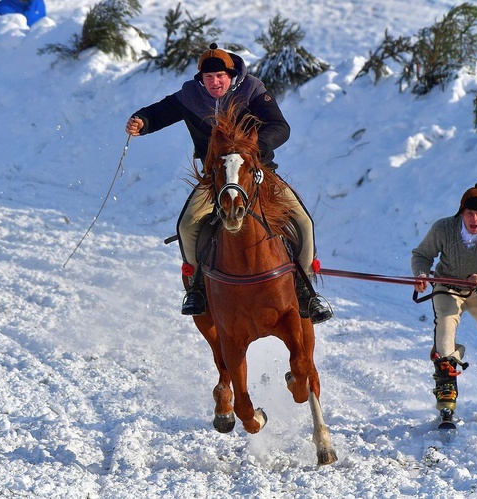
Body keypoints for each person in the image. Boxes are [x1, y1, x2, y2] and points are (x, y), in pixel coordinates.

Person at [125, 43, 333, 324]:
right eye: (208, 78)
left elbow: (280, 127)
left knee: (303, 222)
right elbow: (160, 112)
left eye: (220, 76)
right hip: (215, 179)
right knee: (187, 225)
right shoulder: (190, 95)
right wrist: (142, 121)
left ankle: (306, 290)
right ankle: (197, 288)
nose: (214, 82)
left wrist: (251, 148)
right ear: (201, 78)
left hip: (257, 172)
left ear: (231, 74)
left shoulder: (253, 90)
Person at [411, 183, 477, 419]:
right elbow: (421, 255)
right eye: (470, 213)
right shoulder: (444, 228)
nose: (474, 219)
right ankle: (446, 390)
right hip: (448, 286)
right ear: (461, 213)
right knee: (446, 325)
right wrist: (421, 275)